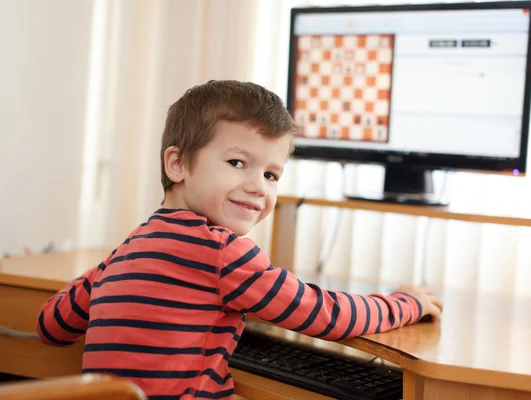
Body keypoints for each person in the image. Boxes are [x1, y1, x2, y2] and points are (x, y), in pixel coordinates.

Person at [37, 80, 443, 400]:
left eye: (271, 175)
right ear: (177, 163)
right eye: (237, 163)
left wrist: (111, 272)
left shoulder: (130, 247)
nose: (258, 187)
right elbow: (327, 316)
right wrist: (404, 304)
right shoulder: (223, 252)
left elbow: (52, 326)